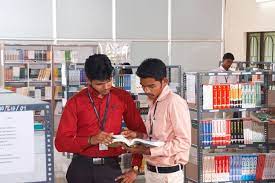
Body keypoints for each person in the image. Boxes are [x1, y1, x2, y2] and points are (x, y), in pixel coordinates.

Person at [55, 54, 146, 183]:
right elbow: (60, 143)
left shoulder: (122, 97)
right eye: (99, 84)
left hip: (110, 168)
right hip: (81, 168)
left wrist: (135, 168)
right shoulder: (75, 102)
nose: (106, 87)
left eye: (109, 81)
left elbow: (140, 133)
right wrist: (91, 140)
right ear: (88, 80)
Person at [117, 58, 191, 183]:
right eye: (143, 86)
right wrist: (138, 135)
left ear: (164, 81)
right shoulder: (153, 101)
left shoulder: (174, 103)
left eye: (151, 86)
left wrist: (147, 151)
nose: (147, 91)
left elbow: (183, 142)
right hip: (151, 171)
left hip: (168, 175)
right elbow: (156, 137)